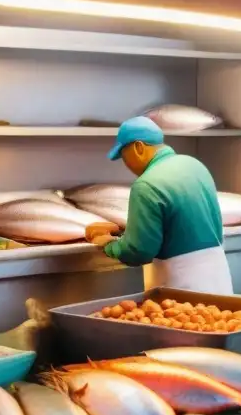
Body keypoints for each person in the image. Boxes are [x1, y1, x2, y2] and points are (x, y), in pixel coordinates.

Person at [87, 116, 232, 293]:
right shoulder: (195, 165)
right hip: (218, 278)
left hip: (181, 289)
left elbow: (138, 252)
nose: (126, 164)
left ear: (138, 147)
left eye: (124, 156)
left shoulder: (146, 185)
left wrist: (108, 244)